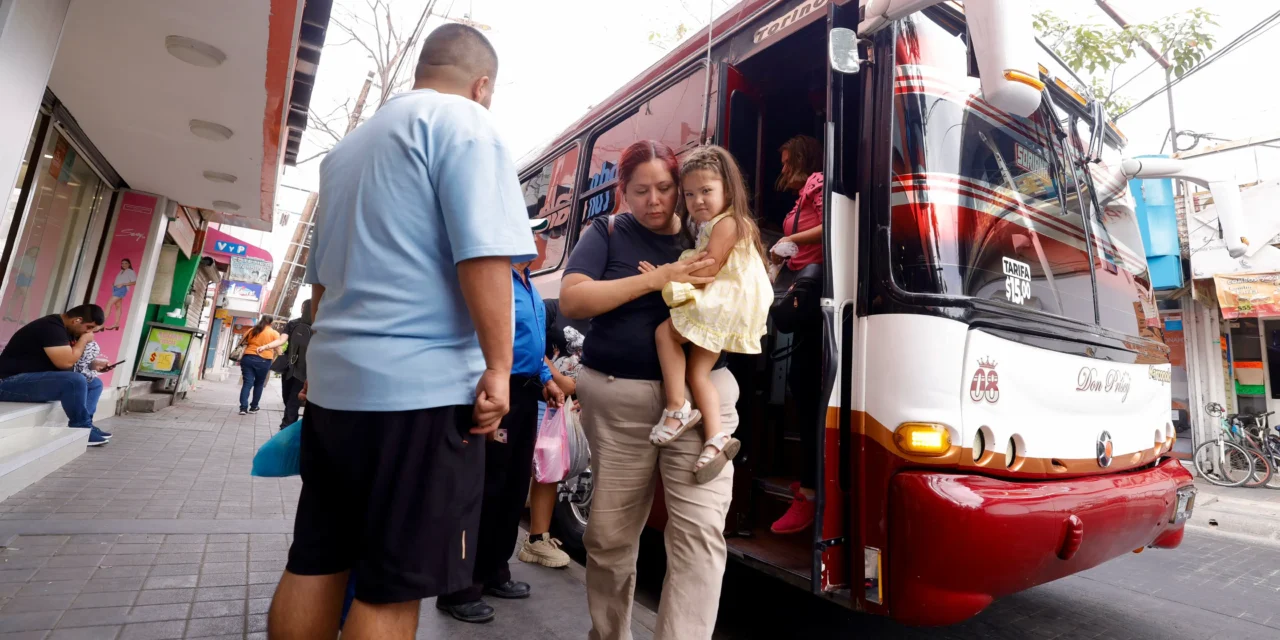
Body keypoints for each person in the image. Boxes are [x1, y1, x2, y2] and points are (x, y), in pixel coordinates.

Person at [267, 23, 536, 640]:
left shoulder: (348, 152)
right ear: (483, 85)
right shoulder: (466, 124)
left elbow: (320, 285)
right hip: (419, 397)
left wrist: (316, 368)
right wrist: (498, 367)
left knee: (316, 561)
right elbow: (485, 256)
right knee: (392, 587)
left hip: (339, 392)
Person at [559, 140, 736, 640]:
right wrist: (660, 279)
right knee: (610, 538)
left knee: (700, 536)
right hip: (620, 406)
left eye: (664, 189)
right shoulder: (608, 232)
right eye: (641, 191)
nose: (655, 201)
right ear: (624, 191)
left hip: (703, 405)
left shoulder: (711, 232)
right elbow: (573, 299)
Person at [436, 255, 566, 624]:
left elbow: (534, 347)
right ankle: (458, 588)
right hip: (496, 388)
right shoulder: (494, 279)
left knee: (511, 488)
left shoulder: (528, 285)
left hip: (524, 393)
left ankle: (495, 572)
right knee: (482, 489)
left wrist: (547, 380)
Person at [645, 145, 772, 484]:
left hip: (723, 303)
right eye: (689, 194)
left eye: (706, 191)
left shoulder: (728, 222)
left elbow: (710, 267)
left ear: (727, 190)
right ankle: (716, 439)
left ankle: (676, 408)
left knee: (665, 333)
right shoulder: (719, 223)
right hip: (727, 306)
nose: (697, 200)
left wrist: (666, 274)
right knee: (699, 373)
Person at [768, 134, 825, 535]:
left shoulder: (818, 182)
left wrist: (789, 240)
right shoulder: (802, 193)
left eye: (788, 161)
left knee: (805, 387)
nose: (783, 168)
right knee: (798, 385)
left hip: (817, 292)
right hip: (801, 287)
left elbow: (831, 225)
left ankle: (809, 490)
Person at [519, 298, 576, 570]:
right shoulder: (552, 308)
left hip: (570, 405)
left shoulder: (606, 314)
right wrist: (557, 380)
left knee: (549, 468)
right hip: (542, 396)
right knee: (522, 464)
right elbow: (532, 346)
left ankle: (537, 540)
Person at [0, 305, 111, 446]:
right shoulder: (50, 327)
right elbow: (65, 363)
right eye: (88, 327)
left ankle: (87, 424)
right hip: (7, 383)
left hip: (29, 381)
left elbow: (70, 359)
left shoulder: (67, 329)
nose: (89, 333)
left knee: (95, 384)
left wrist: (93, 364)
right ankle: (81, 428)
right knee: (74, 380)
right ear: (77, 320)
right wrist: (83, 340)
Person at [260, 300, 313, 429]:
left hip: (306, 369)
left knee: (293, 399)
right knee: (286, 396)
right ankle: (290, 423)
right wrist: (266, 346)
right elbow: (281, 340)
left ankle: (287, 425)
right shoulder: (293, 324)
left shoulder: (319, 327)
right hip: (290, 367)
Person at [237, 315, 279, 416]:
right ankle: (253, 407)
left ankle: (243, 408)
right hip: (264, 360)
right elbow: (278, 347)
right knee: (259, 384)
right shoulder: (274, 333)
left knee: (247, 383)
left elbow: (241, 342)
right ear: (271, 323)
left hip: (248, 358)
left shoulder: (252, 330)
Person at [102, 258, 136, 331]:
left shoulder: (130, 271)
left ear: (129, 264)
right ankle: (116, 324)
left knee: (109, 304)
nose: (124, 265)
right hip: (116, 289)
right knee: (118, 306)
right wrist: (114, 284)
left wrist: (123, 284)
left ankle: (101, 324)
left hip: (122, 289)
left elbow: (134, 282)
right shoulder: (121, 271)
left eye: (126, 263)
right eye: (122, 263)